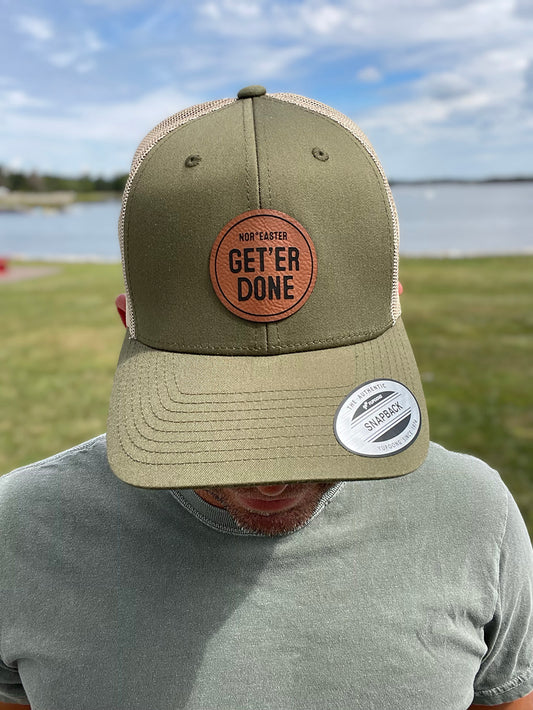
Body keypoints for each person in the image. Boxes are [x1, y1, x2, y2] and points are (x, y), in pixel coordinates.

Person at [1, 85, 532, 710]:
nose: (271, 468)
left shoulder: (475, 518)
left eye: (307, 405)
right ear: (127, 323)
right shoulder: (22, 534)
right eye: (221, 407)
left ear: (395, 319)